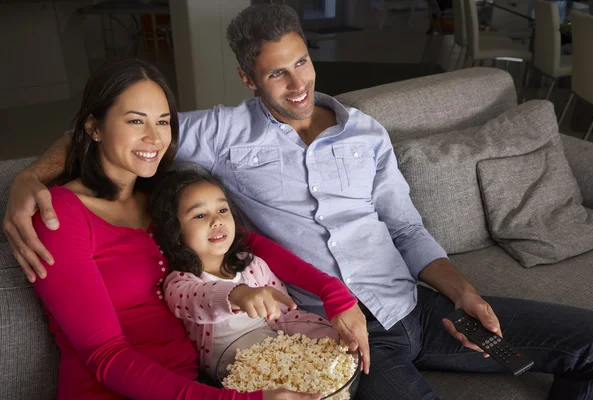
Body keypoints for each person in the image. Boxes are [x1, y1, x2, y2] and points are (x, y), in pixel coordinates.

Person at [4, 4, 593, 400]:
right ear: (246, 80)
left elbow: (406, 226)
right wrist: (31, 176)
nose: (296, 86)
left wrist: (461, 290)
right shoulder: (220, 133)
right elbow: (127, 133)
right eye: (274, 75)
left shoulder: (366, 132)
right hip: (336, 334)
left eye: (301, 63)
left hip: (412, 303)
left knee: (592, 345)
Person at [23, 57, 365, 400]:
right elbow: (105, 357)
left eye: (163, 122)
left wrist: (331, 291)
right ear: (94, 127)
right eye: (134, 121)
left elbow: (246, 243)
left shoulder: (160, 198)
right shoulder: (58, 216)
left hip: (201, 382)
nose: (153, 138)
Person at [149, 170, 355, 381]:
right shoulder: (180, 282)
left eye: (222, 209)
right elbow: (196, 300)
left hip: (283, 361)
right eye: (200, 215)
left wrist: (328, 335)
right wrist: (235, 294)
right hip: (237, 378)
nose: (217, 220)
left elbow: (285, 316)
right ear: (175, 232)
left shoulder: (253, 265)